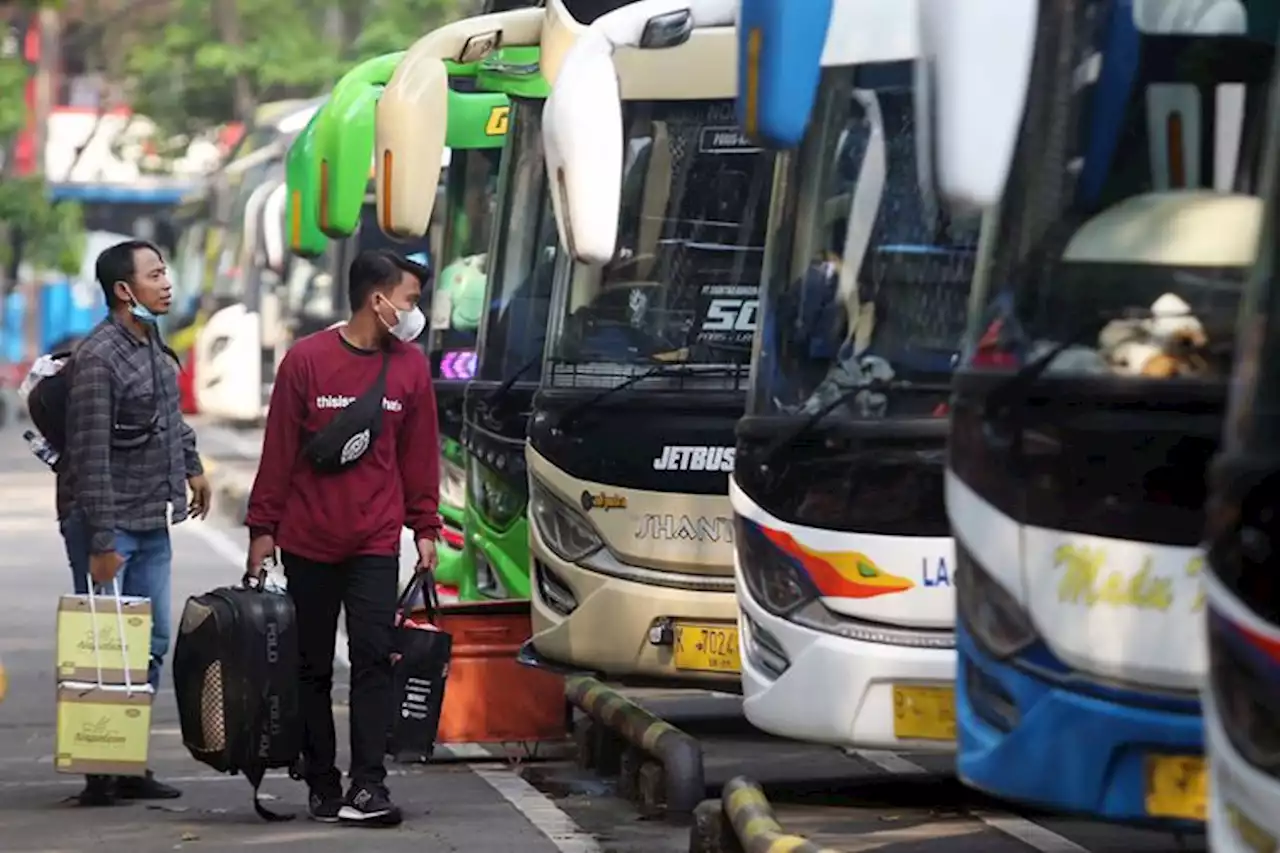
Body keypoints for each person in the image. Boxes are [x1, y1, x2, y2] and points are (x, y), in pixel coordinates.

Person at [244, 249, 441, 827]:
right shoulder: (305, 363)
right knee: (309, 667)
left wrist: (425, 527)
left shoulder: (410, 370)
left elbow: (419, 457)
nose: (414, 311)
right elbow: (278, 452)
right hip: (308, 540)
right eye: (408, 299)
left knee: (375, 658)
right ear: (377, 300)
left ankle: (369, 785)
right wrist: (263, 529)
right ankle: (323, 779)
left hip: (375, 543)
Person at [61, 239, 212, 806]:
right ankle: (100, 770)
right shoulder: (98, 358)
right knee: (104, 650)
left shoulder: (152, 342)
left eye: (165, 270)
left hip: (153, 520)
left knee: (150, 645)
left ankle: (127, 760)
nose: (167, 281)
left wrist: (192, 468)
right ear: (125, 291)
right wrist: (101, 541)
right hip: (110, 523)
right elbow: (89, 457)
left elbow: (168, 417)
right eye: (155, 274)